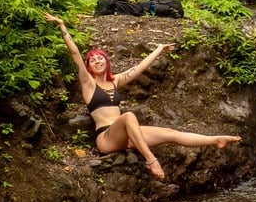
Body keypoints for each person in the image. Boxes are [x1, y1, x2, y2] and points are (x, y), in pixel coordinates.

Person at [44, 12, 241, 180]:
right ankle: (151, 160)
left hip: (129, 134)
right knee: (129, 116)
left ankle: (216, 140)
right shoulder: (88, 83)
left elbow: (139, 68)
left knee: (171, 134)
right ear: (89, 67)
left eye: (100, 58)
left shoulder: (116, 81)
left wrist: (159, 49)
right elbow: (75, 53)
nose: (97, 61)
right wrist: (62, 26)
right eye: (93, 60)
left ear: (106, 61)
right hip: (106, 138)